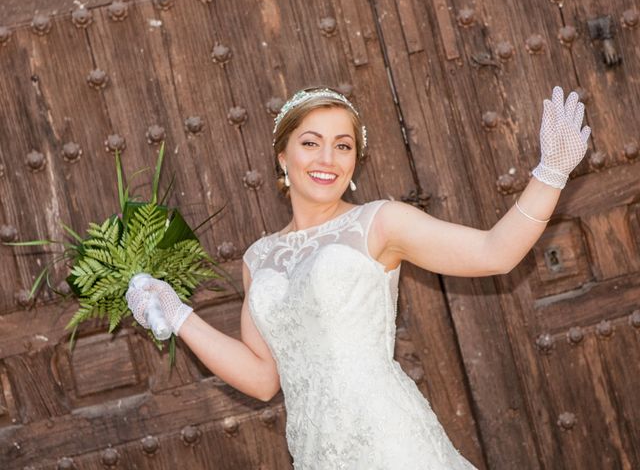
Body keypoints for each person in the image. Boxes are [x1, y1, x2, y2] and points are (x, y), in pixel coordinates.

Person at [126, 85, 591, 469]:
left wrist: (551, 172)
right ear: (283, 158)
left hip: (391, 443)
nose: (327, 158)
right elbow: (265, 378)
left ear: (353, 163)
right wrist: (179, 314)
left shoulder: (379, 223)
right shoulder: (258, 257)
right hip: (317, 454)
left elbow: (495, 252)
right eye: (311, 142)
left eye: (342, 145)